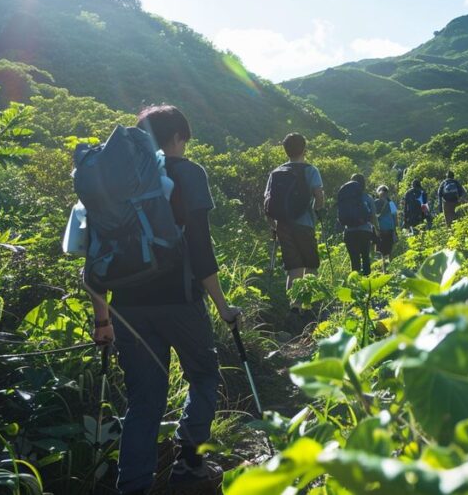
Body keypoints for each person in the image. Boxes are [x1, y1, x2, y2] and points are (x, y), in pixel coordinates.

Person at [84, 105, 242, 495]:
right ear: (176, 138)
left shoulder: (112, 179)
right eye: (183, 140)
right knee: (203, 374)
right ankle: (189, 463)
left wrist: (102, 319)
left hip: (127, 307)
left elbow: (93, 260)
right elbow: (202, 252)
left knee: (143, 400)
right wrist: (224, 307)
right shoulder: (187, 173)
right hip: (180, 300)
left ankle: (132, 487)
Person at [268, 133, 324, 308]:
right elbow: (319, 195)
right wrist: (317, 211)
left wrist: (274, 226)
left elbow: (267, 202)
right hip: (305, 223)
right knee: (311, 265)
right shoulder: (310, 170)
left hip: (283, 225)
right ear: (304, 149)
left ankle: (294, 307)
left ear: (285, 151)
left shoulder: (276, 173)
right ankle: (309, 307)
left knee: (293, 268)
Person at [341, 174, 378, 275]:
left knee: (354, 260)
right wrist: (377, 231)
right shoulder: (367, 198)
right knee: (366, 257)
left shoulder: (345, 198)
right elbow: (373, 216)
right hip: (365, 231)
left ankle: (355, 284)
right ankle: (367, 285)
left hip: (349, 232)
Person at [373, 185, 398, 263]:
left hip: (379, 231)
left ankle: (383, 271)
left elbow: (373, 217)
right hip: (389, 230)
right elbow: (395, 219)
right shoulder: (391, 203)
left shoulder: (375, 203)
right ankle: (391, 269)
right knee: (390, 252)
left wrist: (375, 230)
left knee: (381, 253)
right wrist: (395, 232)